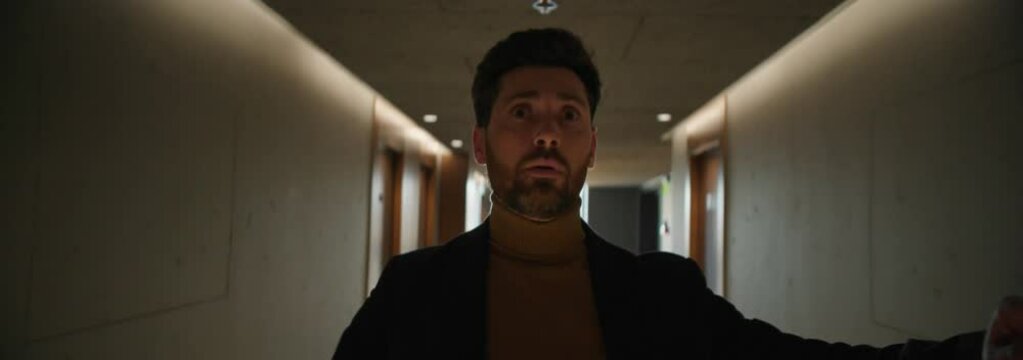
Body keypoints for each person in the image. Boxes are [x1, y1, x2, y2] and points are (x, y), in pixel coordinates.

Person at [334, 28, 1022, 359]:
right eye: (522, 112)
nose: (546, 133)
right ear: (481, 144)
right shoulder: (411, 290)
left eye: (568, 114)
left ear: (591, 146)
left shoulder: (661, 292)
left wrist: (979, 352)